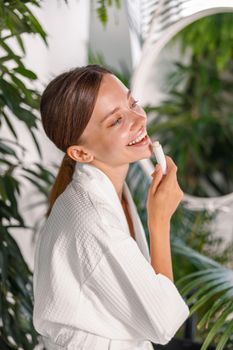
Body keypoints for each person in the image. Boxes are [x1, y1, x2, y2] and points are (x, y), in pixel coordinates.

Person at [32, 64, 190, 350]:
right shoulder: (94, 220)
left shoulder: (109, 190)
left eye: (132, 103)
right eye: (117, 120)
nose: (138, 119)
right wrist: (159, 221)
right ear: (80, 152)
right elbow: (165, 322)